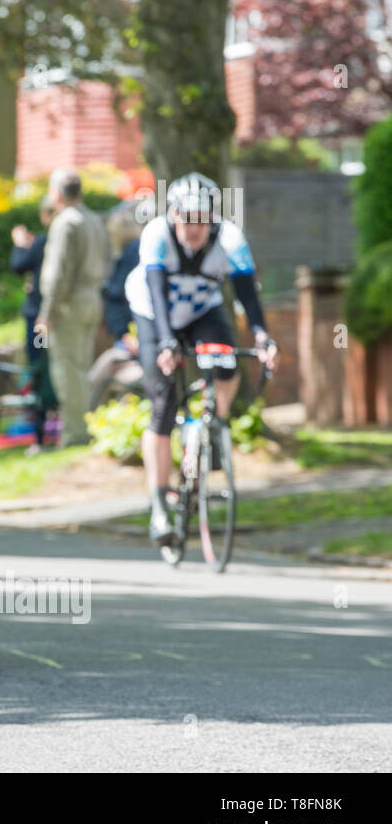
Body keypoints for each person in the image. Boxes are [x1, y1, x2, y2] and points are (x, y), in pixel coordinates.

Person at [123, 172, 278, 547]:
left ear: (213, 218)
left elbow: (247, 296)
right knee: (162, 405)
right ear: (173, 215)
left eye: (201, 219)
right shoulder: (156, 235)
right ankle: (160, 506)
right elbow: (157, 293)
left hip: (200, 312)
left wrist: (262, 336)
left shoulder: (230, 239)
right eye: (185, 218)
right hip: (152, 313)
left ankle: (215, 425)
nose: (192, 228)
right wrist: (164, 343)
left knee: (227, 365)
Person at [34, 168, 109, 447]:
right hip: (93, 298)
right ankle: (84, 428)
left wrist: (47, 313)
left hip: (70, 303)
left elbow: (58, 273)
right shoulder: (93, 219)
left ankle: (75, 435)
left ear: (57, 193)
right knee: (81, 368)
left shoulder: (66, 222)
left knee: (67, 370)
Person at [10, 197, 55, 453]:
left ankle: (39, 436)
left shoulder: (43, 241)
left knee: (38, 370)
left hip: (39, 318)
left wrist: (19, 245)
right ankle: (48, 430)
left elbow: (18, 265)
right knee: (47, 371)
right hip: (50, 316)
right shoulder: (51, 242)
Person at [88, 203, 145, 401]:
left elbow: (120, 291)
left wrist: (102, 289)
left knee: (105, 372)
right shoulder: (135, 250)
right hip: (128, 329)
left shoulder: (132, 253)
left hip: (130, 329)